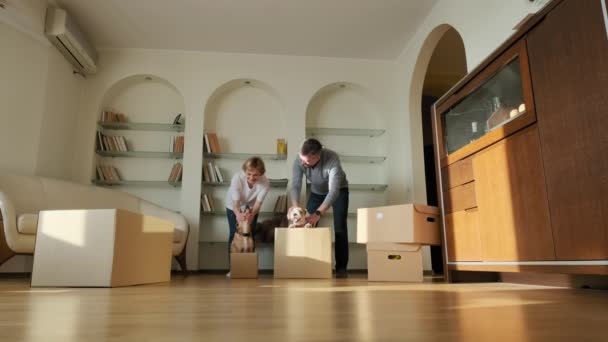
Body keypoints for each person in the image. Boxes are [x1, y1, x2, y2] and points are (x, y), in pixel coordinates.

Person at [291, 138, 349, 278]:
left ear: (317, 156)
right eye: (302, 159)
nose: (303, 163)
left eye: (307, 161)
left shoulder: (332, 159)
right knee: (306, 225)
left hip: (339, 191)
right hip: (316, 192)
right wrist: (295, 207)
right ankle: (307, 264)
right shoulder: (299, 160)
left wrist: (318, 213)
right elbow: (296, 185)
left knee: (340, 226)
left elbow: (333, 191)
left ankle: (341, 268)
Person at [225, 156, 270, 277]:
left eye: (255, 175)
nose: (251, 178)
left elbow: (258, 203)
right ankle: (233, 268)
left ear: (261, 173)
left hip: (251, 206)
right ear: (244, 171)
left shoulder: (265, 183)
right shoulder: (237, 178)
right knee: (234, 233)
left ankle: (249, 267)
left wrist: (251, 215)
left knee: (250, 234)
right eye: (248, 174)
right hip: (233, 204)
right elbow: (236, 203)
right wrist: (238, 214)